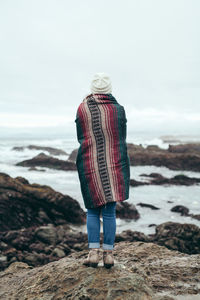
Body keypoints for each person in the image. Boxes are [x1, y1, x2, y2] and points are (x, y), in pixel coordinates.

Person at [75, 72, 130, 268]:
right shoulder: (118, 109)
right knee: (109, 211)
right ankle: (108, 255)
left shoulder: (82, 109)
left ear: (93, 89)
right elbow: (121, 137)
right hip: (113, 161)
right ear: (109, 89)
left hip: (90, 161)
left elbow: (80, 136)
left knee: (91, 210)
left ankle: (92, 254)